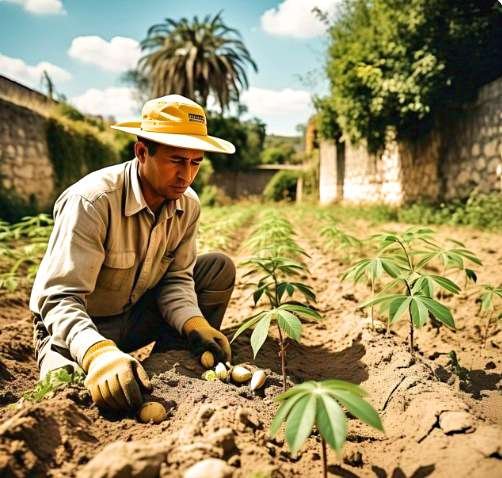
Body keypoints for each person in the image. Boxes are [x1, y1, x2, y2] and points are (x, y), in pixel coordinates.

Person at [29, 94, 236, 412]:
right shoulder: (93, 201)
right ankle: (105, 362)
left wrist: (196, 323)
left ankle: (168, 363)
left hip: (135, 314)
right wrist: (97, 352)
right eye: (177, 161)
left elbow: (177, 279)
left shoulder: (187, 204)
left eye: (196, 162)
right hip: (80, 325)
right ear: (142, 151)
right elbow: (59, 299)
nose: (187, 175)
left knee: (217, 268)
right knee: (67, 393)